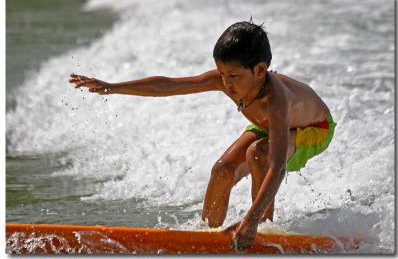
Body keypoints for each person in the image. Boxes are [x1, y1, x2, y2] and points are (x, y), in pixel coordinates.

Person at [69, 20, 336, 250]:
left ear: (260, 70)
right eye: (221, 74)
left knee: (259, 154)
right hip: (269, 126)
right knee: (222, 170)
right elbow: (169, 85)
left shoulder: (276, 100)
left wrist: (249, 219)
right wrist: (113, 88)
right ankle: (204, 236)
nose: (226, 83)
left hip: (313, 129)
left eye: (233, 75)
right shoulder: (229, 80)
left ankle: (262, 231)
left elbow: (277, 167)